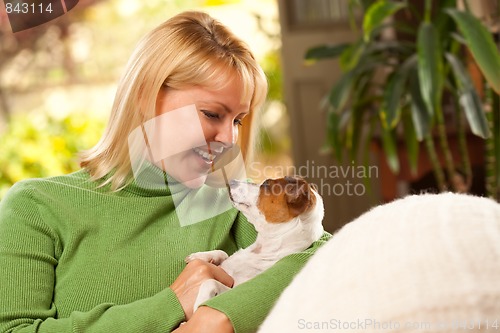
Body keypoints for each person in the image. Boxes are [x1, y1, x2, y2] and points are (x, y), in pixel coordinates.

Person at [0, 11, 330, 333]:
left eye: (237, 120)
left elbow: (326, 257)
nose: (229, 139)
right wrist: (172, 303)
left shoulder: (230, 205)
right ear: (146, 96)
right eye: (212, 114)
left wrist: (221, 317)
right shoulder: (36, 206)